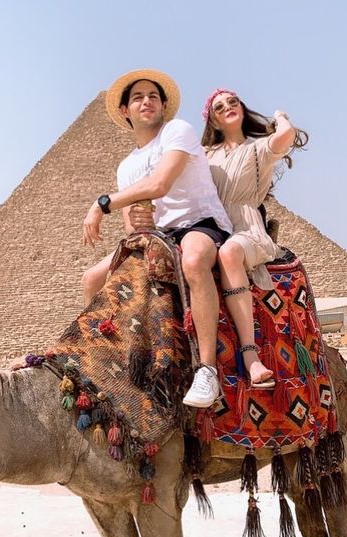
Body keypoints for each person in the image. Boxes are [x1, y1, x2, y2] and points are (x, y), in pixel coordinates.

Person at [81, 69, 232, 408]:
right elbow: (132, 229)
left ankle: (207, 369)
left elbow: (160, 184)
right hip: (158, 239)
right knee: (92, 278)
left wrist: (102, 202)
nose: (145, 101)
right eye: (137, 97)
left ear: (164, 105)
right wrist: (135, 219)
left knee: (193, 260)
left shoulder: (177, 132)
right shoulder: (126, 167)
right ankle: (104, 364)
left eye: (152, 96)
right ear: (125, 111)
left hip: (199, 225)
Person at [200, 89, 308, 386]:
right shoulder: (205, 156)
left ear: (242, 109)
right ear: (213, 120)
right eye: (219, 107)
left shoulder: (258, 149)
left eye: (233, 102)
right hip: (212, 227)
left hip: (246, 228)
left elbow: (286, 136)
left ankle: (250, 354)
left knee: (230, 253)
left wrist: (280, 116)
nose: (228, 107)